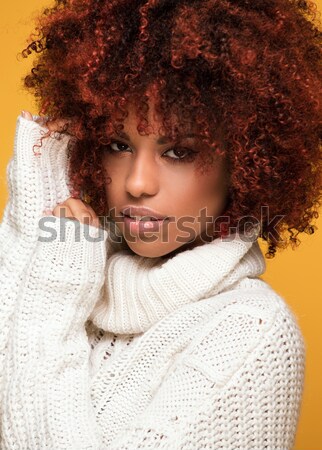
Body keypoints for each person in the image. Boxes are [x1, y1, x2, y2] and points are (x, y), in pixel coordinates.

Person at [0, 0, 321, 448]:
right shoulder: (69, 264)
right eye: (117, 143)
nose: (137, 183)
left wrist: (55, 294)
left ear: (247, 161)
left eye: (179, 152)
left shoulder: (253, 334)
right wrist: (35, 204)